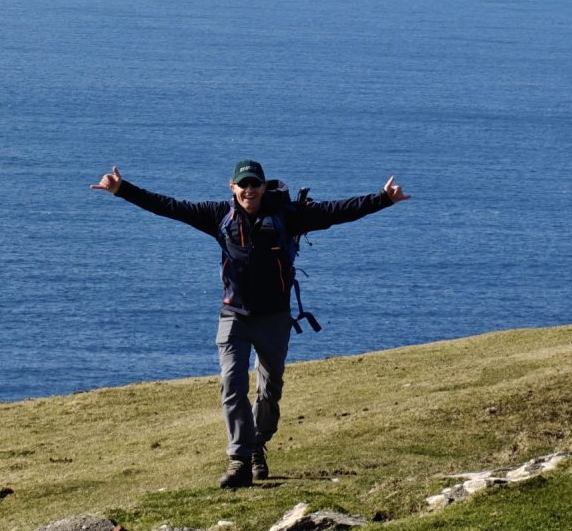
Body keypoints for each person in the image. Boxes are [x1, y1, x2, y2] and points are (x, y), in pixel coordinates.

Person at [90, 159, 409, 488]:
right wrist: (121, 189)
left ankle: (258, 444)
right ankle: (239, 459)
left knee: (270, 391)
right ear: (233, 188)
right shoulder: (219, 217)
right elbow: (170, 206)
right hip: (234, 316)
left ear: (263, 186)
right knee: (232, 385)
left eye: (255, 184)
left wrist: (382, 199)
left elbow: (334, 212)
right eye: (243, 184)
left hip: (274, 318)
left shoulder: (287, 216)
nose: (249, 190)